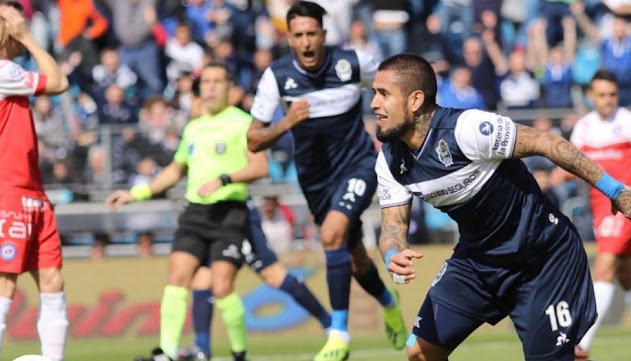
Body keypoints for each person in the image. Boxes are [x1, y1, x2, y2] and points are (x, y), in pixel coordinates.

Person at [371, 53, 631, 361]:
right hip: (478, 262)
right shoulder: (390, 160)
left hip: (543, 259)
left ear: (415, 99)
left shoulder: (468, 128)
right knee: (420, 351)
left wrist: (615, 190)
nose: (374, 104)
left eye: (383, 94)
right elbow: (392, 226)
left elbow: (546, 142)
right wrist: (393, 253)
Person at [247, 2, 406, 360]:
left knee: (331, 233)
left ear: (323, 34)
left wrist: (391, 123)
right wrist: (286, 123)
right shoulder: (277, 76)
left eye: (311, 34)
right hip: (315, 181)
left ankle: (337, 335)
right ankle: (389, 303)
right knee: (355, 259)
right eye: (298, 35)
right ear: (288, 38)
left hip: (358, 165)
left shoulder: (352, 63)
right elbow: (253, 139)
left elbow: (390, 90)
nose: (305, 42)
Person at [106, 63, 262, 361]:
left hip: (229, 212)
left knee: (221, 286)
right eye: (207, 82)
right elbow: (176, 169)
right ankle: (166, 351)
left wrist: (224, 179)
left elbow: (259, 167)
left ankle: (240, 353)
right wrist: (135, 193)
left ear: (230, 87)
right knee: (177, 277)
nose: (212, 87)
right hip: (195, 213)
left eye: (218, 81)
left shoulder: (244, 123)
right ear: (200, 88)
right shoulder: (193, 127)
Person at [177, 80, 332, 361]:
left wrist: (223, 180)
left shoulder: (234, 124)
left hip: (235, 215)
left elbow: (256, 164)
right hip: (208, 217)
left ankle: (328, 322)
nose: (195, 106)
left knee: (273, 275)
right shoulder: (197, 132)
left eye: (197, 99)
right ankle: (202, 346)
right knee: (202, 278)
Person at [0, 2, 70, 361]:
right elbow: (59, 81)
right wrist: (27, 37)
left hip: (32, 191)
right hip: (7, 192)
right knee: (4, 282)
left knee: (52, 281)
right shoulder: (2, 72)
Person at [567, 70, 631, 360]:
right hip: (601, 209)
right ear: (590, 96)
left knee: (604, 267)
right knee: (627, 276)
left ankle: (580, 345)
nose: (608, 100)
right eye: (602, 95)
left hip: (627, 206)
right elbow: (570, 163)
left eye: (612, 94)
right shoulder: (583, 128)